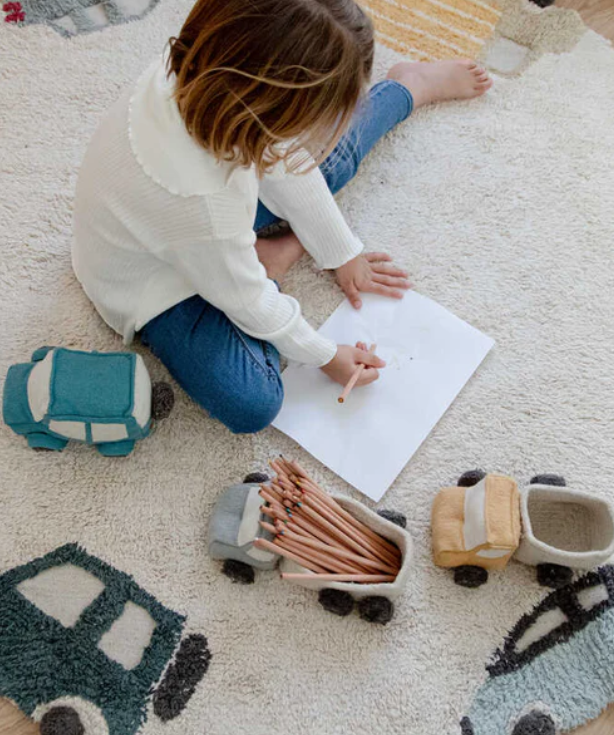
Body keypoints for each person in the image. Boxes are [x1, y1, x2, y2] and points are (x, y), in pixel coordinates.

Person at [72, 0, 492, 434]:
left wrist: (340, 251)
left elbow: (283, 158)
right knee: (252, 401)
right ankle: (273, 257)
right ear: (272, 110)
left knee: (319, 164)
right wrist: (325, 353)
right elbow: (246, 300)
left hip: (188, 222)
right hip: (152, 283)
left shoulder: (210, 69)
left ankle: (408, 88)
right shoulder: (204, 202)